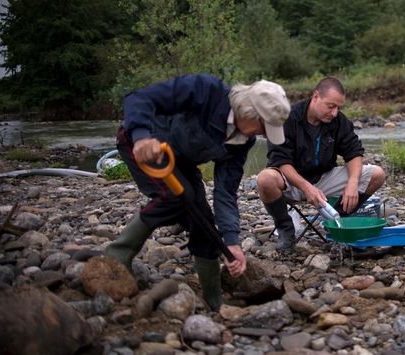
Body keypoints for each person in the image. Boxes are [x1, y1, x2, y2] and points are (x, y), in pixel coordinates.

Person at [105, 73, 290, 310]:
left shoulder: (244, 141)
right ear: (248, 112)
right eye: (264, 126)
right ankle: (116, 255)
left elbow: (225, 192)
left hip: (178, 162)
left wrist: (232, 242)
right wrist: (142, 136)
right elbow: (139, 99)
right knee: (176, 198)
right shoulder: (206, 91)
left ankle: (214, 301)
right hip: (140, 145)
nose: (264, 134)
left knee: (203, 222)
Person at [256, 77, 386, 251]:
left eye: (338, 107)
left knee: (377, 174)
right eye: (330, 106)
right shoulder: (287, 119)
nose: (334, 112)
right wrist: (306, 187)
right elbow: (280, 161)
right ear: (316, 96)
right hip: (291, 181)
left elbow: (354, 152)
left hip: (323, 179)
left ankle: (337, 222)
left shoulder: (338, 121)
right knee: (265, 179)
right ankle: (286, 230)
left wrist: (353, 183)